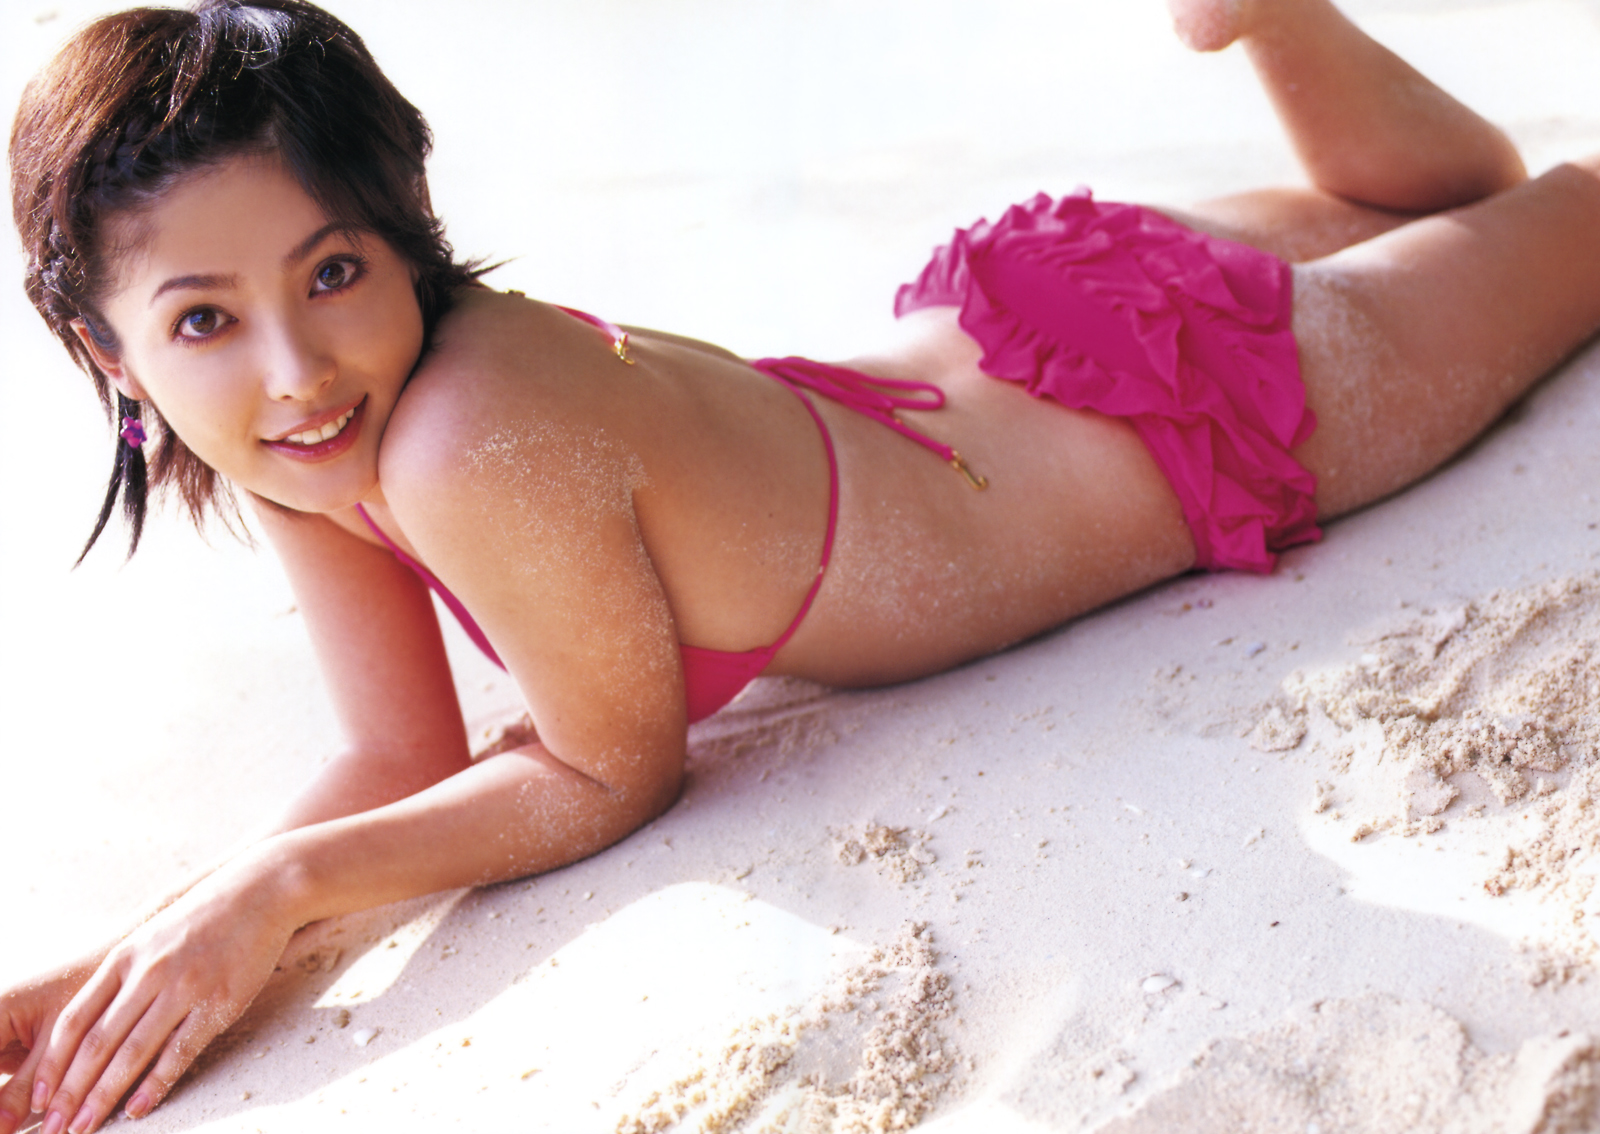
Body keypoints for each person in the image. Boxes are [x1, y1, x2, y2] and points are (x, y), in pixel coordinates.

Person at [4, 0, 1598, 1130]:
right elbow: (397, 754)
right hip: (1009, 322)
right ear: (105, 347)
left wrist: (278, 892)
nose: (294, 367)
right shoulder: (309, 442)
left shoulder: (461, 436)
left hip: (1166, 418)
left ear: (406, 222)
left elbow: (610, 767)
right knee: (1460, 200)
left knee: (1580, 224)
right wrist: (122, 968)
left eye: (336, 270)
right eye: (205, 318)